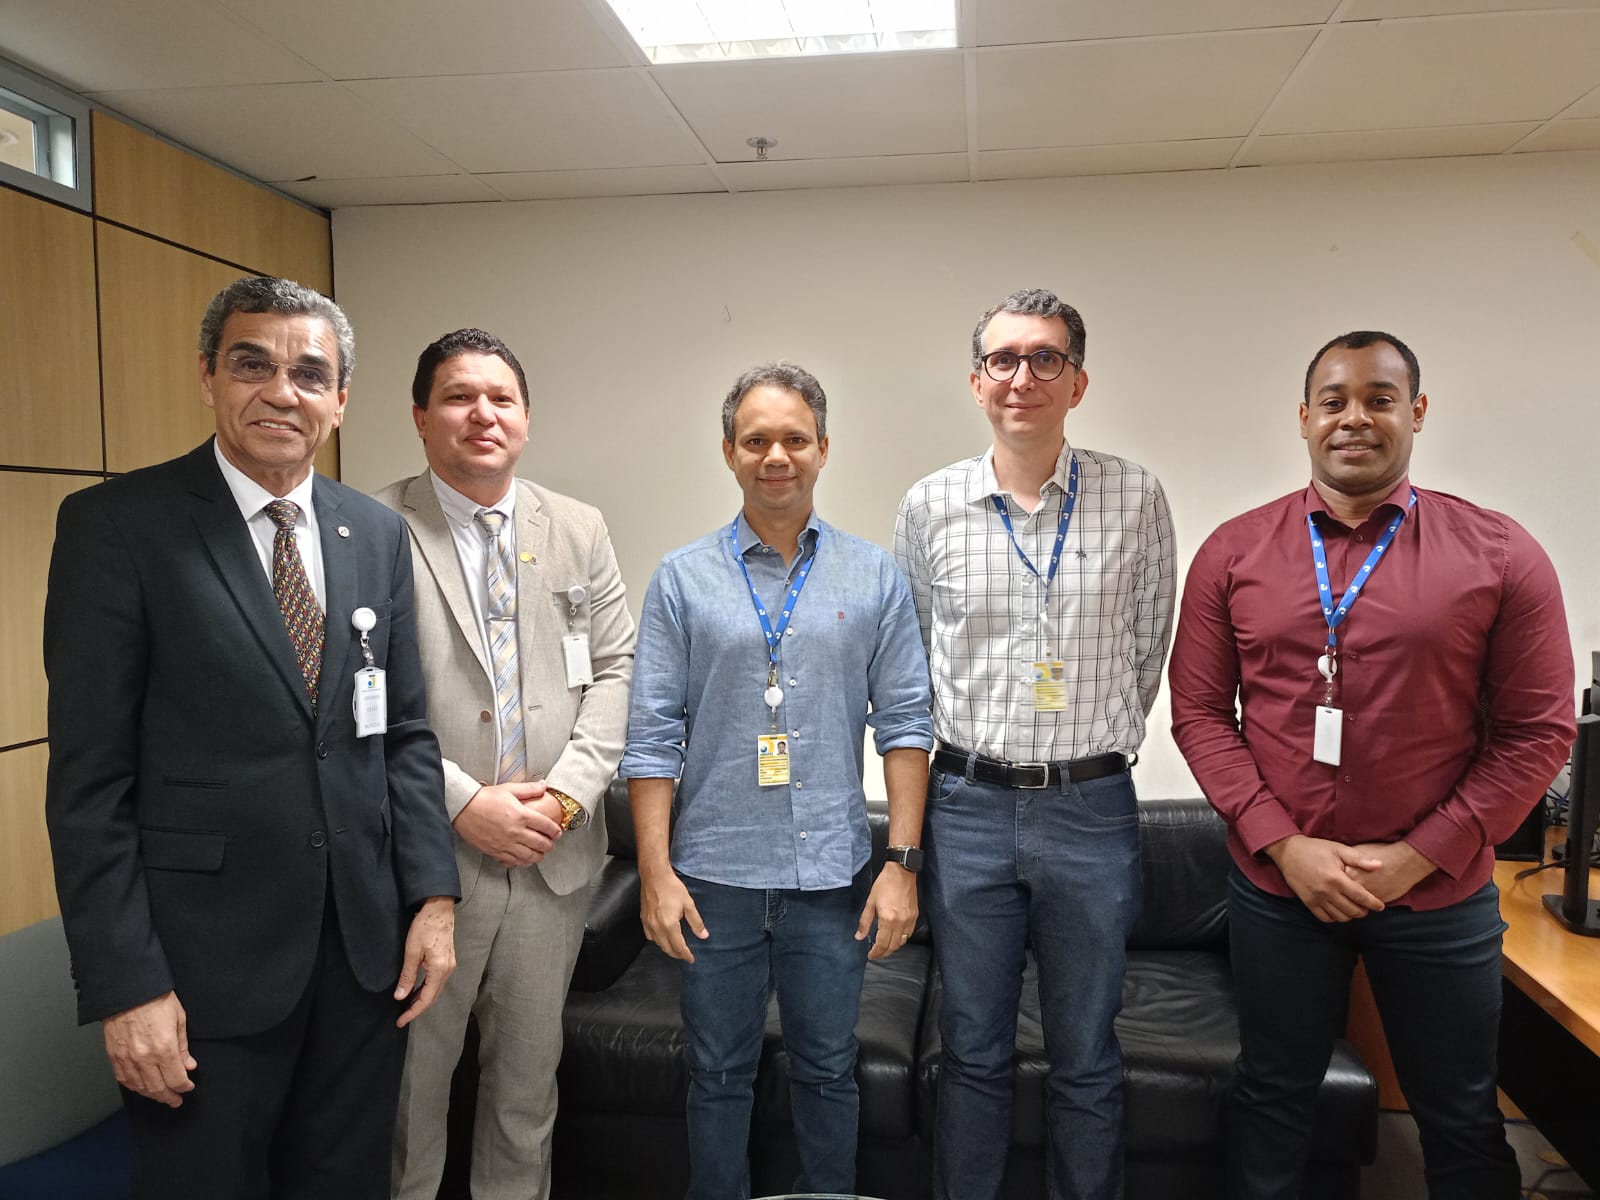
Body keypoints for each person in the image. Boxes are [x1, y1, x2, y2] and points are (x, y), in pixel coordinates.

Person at [43, 276, 460, 1199]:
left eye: (310, 373)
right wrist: (126, 986)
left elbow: (402, 732)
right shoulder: (120, 528)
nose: (281, 391)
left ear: (340, 399)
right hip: (200, 976)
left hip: (364, 962)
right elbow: (89, 785)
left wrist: (433, 899)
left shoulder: (374, 533)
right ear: (208, 377)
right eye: (252, 365)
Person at [1168, 331, 1575, 1199]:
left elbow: (1539, 732)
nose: (1354, 418)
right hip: (1281, 889)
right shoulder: (1233, 552)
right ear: (1304, 418)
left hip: (1437, 893)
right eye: (1335, 400)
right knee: (1272, 1099)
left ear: (1416, 413)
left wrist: (1417, 857)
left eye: (1380, 399)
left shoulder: (1502, 553)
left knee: (1462, 1117)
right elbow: (1199, 716)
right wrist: (1287, 846)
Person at [622, 363, 933, 1200]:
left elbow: (906, 725)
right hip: (712, 879)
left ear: (824, 449)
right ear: (729, 451)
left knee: (828, 1072)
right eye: (756, 440)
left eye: (795, 439)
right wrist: (654, 873)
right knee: (718, 1074)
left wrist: (901, 864)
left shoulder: (874, 577)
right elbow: (651, 738)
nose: (776, 456)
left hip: (830, 878)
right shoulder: (682, 578)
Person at [894, 287, 1176, 1200]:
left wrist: (1080, 753)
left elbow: (1147, 649)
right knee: (971, 1049)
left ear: (1077, 382)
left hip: (1091, 807)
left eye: (1045, 358)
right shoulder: (930, 505)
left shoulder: (1135, 496)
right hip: (967, 805)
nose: (1024, 377)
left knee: (1086, 1053)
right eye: (1004, 359)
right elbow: (912, 667)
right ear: (977, 381)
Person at [378, 328, 635, 1200]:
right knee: (408, 1099)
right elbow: (357, 699)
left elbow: (615, 670)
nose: (483, 414)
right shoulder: (373, 529)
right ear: (421, 416)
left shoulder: (577, 527)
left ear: (526, 417)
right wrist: (463, 801)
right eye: (459, 396)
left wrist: (565, 798)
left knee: (526, 1098)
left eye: (502, 398)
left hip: (551, 862)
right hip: (427, 865)